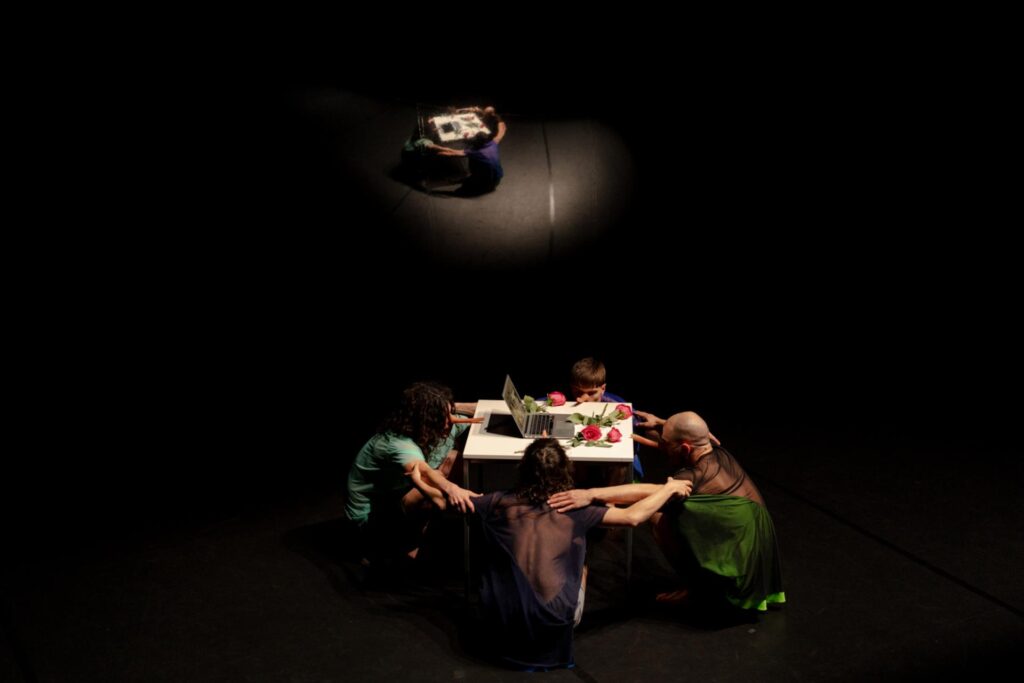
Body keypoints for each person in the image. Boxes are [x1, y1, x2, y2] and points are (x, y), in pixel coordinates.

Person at [464, 438, 691, 670]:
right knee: (581, 563)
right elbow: (632, 517)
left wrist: (449, 486)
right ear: (565, 471)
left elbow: (448, 501)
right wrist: (668, 488)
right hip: (553, 621)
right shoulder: (575, 509)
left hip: (501, 620)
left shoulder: (497, 502)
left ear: (523, 469)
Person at [549, 411, 785, 613]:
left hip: (741, 572)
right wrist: (662, 423)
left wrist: (591, 494)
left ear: (685, 448)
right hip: (752, 547)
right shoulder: (716, 450)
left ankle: (701, 592)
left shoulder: (696, 476)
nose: (661, 446)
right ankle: (705, 584)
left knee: (658, 515)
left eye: (665, 444)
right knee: (675, 512)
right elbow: (691, 434)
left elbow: (651, 493)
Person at [344, 381, 479, 565]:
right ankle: (392, 547)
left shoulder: (442, 424)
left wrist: (448, 406)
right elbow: (423, 470)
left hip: (398, 494)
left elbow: (485, 410)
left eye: (449, 413)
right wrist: (452, 489)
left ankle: (420, 530)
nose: (451, 420)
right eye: (442, 416)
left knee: (454, 459)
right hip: (371, 519)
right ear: (423, 420)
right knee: (428, 486)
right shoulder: (396, 443)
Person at [569, 357, 645, 479]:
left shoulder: (618, 406)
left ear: (603, 388)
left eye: (591, 393)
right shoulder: (566, 400)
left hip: (610, 462)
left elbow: (635, 442)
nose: (584, 398)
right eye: (578, 392)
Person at [431, 131, 504, 195]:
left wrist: (436, 147)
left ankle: (474, 184)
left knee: (461, 190)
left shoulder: (475, 152)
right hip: (497, 180)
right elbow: (501, 131)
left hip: (488, 184)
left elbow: (453, 153)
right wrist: (499, 121)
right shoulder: (493, 143)